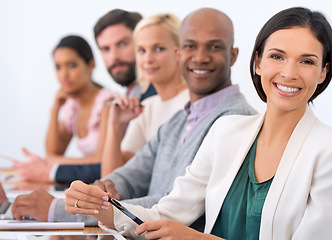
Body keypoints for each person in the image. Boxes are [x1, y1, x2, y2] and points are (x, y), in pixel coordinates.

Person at [65, 7, 332, 239]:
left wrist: (196, 239)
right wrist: (96, 206)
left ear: (323, 72)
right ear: (257, 63)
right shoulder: (227, 132)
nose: (289, 73)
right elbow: (167, 214)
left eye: (307, 61)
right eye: (277, 56)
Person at [12, 8, 257, 230]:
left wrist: (62, 210)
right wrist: (103, 189)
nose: (200, 57)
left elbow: (173, 206)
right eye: (191, 46)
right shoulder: (180, 118)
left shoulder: (235, 119)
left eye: (214, 47)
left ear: (233, 55)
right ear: (179, 53)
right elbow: (130, 174)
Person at [12, 9, 157, 184]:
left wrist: (52, 168)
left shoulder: (132, 99)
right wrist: (54, 109)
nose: (114, 57)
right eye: (105, 49)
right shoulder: (129, 96)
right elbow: (53, 152)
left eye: (122, 44)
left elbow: (109, 165)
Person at [13, 35, 116, 180]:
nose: (64, 75)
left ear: (90, 65)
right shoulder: (72, 106)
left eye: (71, 65)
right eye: (58, 67)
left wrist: (56, 162)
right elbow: (53, 151)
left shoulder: (108, 102)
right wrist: (54, 110)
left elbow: (101, 159)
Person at [101, 13, 189, 177]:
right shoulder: (148, 106)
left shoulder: (191, 104)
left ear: (180, 51)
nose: (148, 59)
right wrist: (115, 126)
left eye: (158, 48)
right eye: (141, 50)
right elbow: (111, 179)